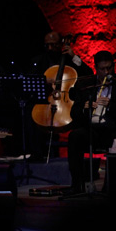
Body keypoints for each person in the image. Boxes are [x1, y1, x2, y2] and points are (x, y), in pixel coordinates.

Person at [66, 50, 116, 194]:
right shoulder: (86, 84)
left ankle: (110, 186)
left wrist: (111, 105)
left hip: (114, 129)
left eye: (110, 68)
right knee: (75, 136)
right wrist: (84, 107)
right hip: (93, 129)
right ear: (96, 68)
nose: (107, 72)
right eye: (102, 69)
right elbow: (74, 113)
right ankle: (76, 185)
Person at [25, 31, 94, 161]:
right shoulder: (39, 61)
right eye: (47, 45)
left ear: (61, 44)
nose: (50, 48)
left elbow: (89, 73)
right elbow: (31, 79)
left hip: (66, 101)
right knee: (29, 110)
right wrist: (44, 80)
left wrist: (74, 56)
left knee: (80, 113)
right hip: (46, 99)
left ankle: (76, 157)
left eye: (53, 45)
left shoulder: (69, 60)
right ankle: (36, 154)